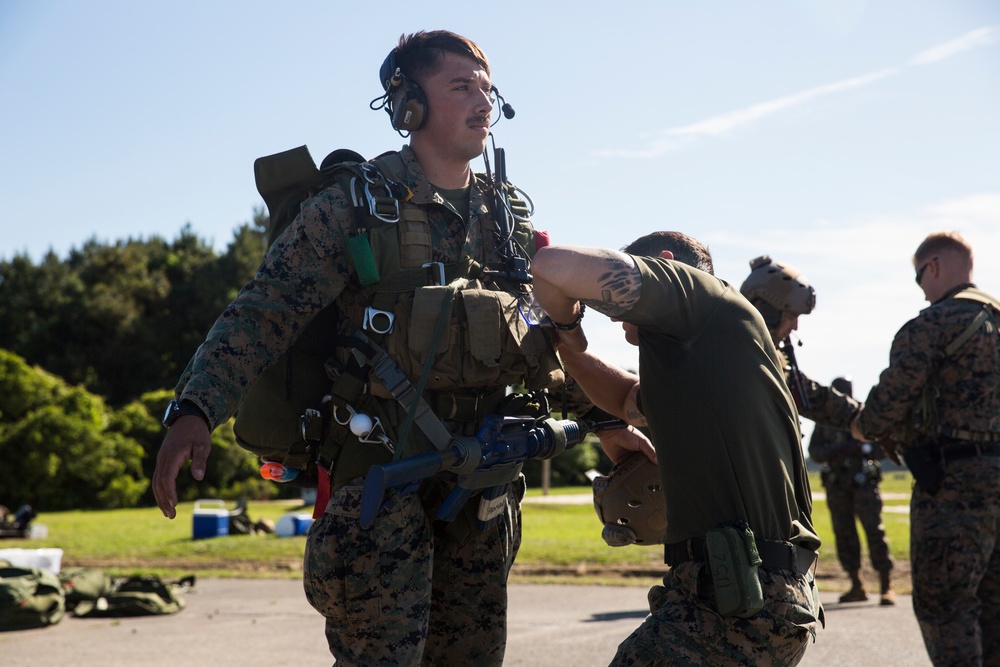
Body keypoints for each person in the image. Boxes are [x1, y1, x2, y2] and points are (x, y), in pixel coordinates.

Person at [153, 30, 568, 666]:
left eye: (487, 88)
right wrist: (194, 409)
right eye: (461, 87)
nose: (482, 102)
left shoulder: (507, 216)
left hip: (481, 484)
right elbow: (266, 310)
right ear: (408, 105)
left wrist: (611, 412)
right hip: (380, 486)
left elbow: (546, 335)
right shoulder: (355, 204)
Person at [531, 231, 823, 666]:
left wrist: (569, 323)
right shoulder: (696, 349)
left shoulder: (699, 297)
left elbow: (551, 265)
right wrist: (570, 351)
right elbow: (629, 402)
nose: (614, 318)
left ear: (666, 266)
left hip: (739, 602)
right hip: (744, 595)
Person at [850, 231, 1000, 666]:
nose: (921, 287)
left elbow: (883, 412)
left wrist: (862, 425)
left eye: (919, 277)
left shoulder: (933, 325)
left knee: (946, 606)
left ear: (931, 266)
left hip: (953, 485)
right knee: (993, 607)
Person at [740, 256, 860, 429]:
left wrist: (862, 417)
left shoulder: (771, 361)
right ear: (766, 313)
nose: (795, 326)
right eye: (791, 316)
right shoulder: (738, 360)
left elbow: (816, 398)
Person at [808, 376, 895, 606]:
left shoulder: (865, 416)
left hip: (863, 484)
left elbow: (884, 448)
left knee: (874, 532)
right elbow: (815, 451)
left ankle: (886, 585)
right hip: (838, 487)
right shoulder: (824, 423)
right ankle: (857, 584)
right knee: (844, 535)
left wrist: (862, 448)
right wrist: (839, 450)